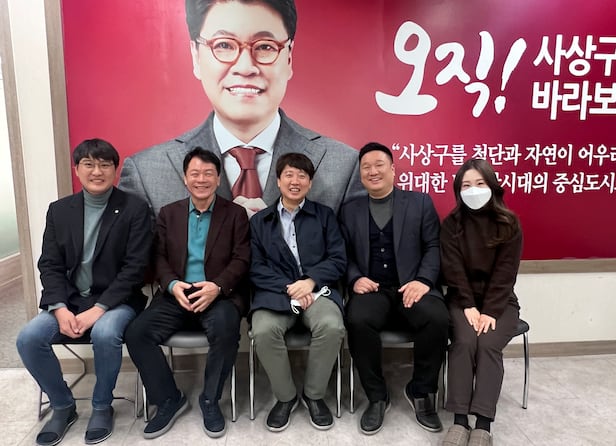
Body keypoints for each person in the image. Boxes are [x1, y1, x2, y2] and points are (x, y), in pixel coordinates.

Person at [118, 0, 363, 218]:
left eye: (265, 46)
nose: (245, 67)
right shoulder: (146, 173)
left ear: (289, 57)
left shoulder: (344, 166)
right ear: (196, 56)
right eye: (224, 44)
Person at [16, 139, 152, 446]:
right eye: (89, 164)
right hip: (70, 300)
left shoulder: (134, 209)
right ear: (77, 169)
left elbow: (135, 268)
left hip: (117, 300)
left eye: (104, 165)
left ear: (115, 170)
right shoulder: (59, 210)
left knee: (105, 333)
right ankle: (63, 405)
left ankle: (102, 406)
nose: (97, 171)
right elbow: (49, 264)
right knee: (29, 338)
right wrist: (59, 307)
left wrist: (99, 309)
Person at [125, 147, 250, 439]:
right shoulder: (169, 213)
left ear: (218, 179)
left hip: (218, 294)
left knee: (227, 329)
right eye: (195, 173)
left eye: (208, 173)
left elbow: (242, 258)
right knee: (137, 333)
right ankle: (169, 398)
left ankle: (210, 400)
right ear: (185, 178)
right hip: (176, 294)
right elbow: (158, 257)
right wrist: (172, 284)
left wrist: (217, 286)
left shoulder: (235, 214)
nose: (201, 179)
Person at [339, 142, 449, 436]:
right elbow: (342, 253)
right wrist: (354, 278)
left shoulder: (420, 203)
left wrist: (423, 280)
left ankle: (421, 391)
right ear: (360, 174)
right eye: (366, 167)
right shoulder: (349, 210)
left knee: (437, 318)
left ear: (393, 169)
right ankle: (377, 396)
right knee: (358, 319)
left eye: (379, 165)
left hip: (412, 286)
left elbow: (433, 246)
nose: (373, 171)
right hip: (372, 289)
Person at [249, 153, 346, 432]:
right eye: (289, 175)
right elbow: (255, 267)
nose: (295, 181)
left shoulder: (324, 216)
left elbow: (338, 259)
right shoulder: (260, 221)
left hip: (318, 291)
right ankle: (286, 397)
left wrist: (310, 281)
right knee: (263, 330)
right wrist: (289, 287)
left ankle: (313, 395)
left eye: (302, 176)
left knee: (331, 326)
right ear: (278, 181)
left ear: (310, 183)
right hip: (275, 293)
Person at [439, 159, 522, 446]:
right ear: (458, 191)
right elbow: (453, 269)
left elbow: (506, 273)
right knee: (464, 342)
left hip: (500, 303)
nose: (473, 190)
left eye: (479, 183)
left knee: (487, 344)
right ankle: (460, 421)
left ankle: (483, 424)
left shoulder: (509, 224)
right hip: (461, 301)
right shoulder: (451, 224)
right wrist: (469, 305)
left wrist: (490, 311)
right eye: (466, 185)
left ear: (492, 186)